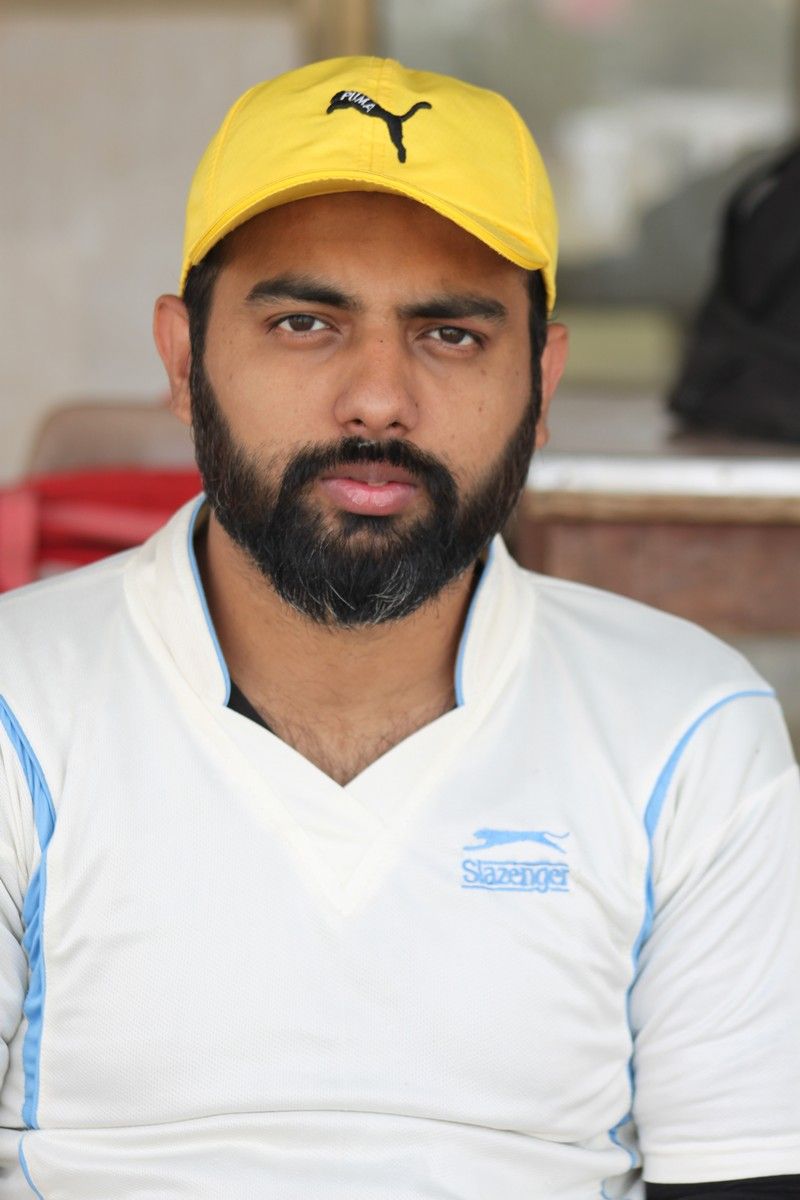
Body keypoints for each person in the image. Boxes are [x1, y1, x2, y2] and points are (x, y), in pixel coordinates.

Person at [0, 56, 798, 1200]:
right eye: (304, 323)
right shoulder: (20, 705)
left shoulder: (686, 731)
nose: (377, 398)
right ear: (182, 361)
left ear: (541, 379)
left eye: (450, 335)